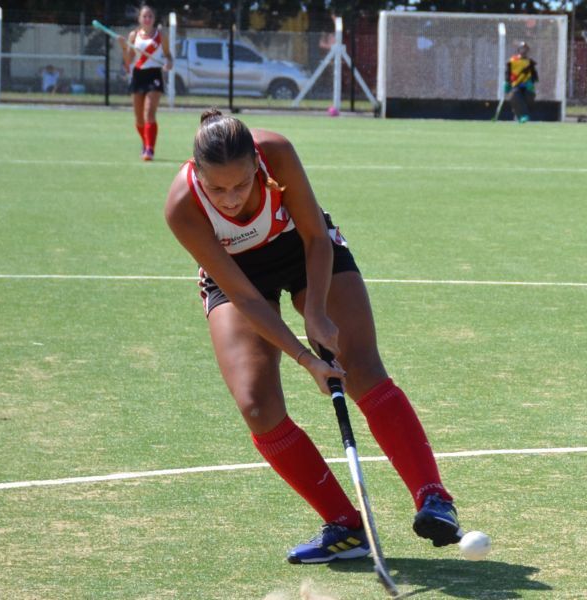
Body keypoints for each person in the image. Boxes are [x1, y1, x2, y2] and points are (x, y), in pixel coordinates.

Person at [164, 109, 464, 564]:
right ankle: (346, 526)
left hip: (302, 248)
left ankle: (434, 498)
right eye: (217, 188)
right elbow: (245, 298)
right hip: (239, 277)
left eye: (242, 184)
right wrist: (306, 359)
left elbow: (315, 239)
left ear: (256, 165)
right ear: (196, 172)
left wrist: (316, 312)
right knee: (256, 405)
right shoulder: (182, 207)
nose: (230, 198)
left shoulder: (277, 153)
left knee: (360, 366)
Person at [119, 4, 173, 161]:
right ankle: (145, 143)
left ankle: (150, 149)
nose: (147, 19)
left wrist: (168, 63)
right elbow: (128, 61)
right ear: (139, 19)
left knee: (149, 112)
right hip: (138, 75)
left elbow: (168, 55)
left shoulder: (161, 36)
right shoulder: (133, 35)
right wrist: (124, 48)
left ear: (154, 19)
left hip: (154, 75)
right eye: (145, 16)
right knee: (139, 118)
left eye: (150, 16)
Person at [504, 42, 539, 123]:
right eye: (522, 49)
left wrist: (531, 82)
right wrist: (507, 82)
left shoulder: (530, 62)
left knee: (529, 95)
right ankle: (522, 115)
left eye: (525, 49)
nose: (524, 51)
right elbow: (508, 72)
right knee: (515, 95)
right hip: (516, 85)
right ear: (518, 50)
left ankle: (522, 115)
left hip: (527, 85)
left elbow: (534, 75)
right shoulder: (512, 61)